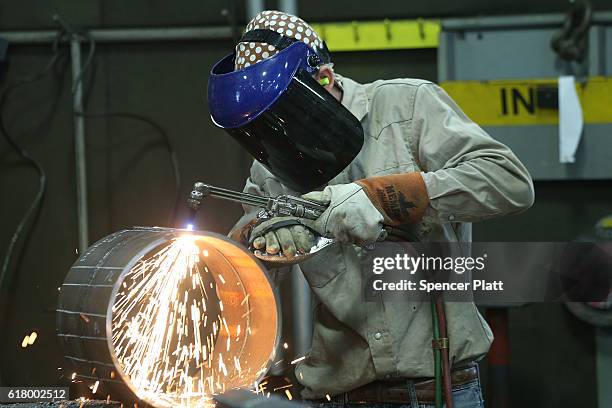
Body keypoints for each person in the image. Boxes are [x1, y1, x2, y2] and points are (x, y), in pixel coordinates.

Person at [208, 10, 534, 408]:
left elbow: (510, 182)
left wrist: (381, 198)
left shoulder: (406, 107)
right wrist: (257, 241)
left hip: (439, 386)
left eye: (285, 116)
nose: (282, 135)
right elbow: (245, 274)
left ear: (324, 79)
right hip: (340, 393)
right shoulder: (270, 167)